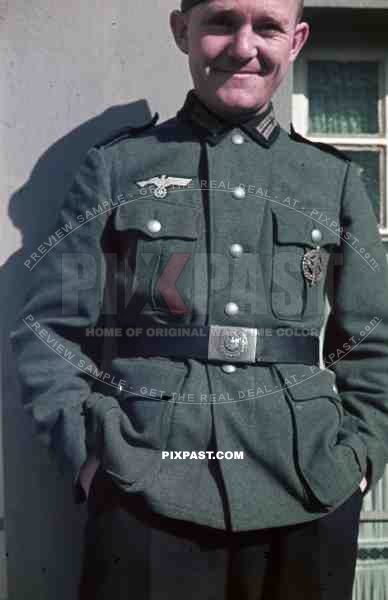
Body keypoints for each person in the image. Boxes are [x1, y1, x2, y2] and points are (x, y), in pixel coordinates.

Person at [9, 0, 388, 598]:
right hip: (146, 487)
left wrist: (360, 460)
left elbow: (375, 342)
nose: (244, 47)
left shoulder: (331, 179)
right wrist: (90, 456)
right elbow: (51, 330)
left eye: (268, 27)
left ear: (297, 40)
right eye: (220, 22)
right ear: (182, 30)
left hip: (308, 488)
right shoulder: (119, 167)